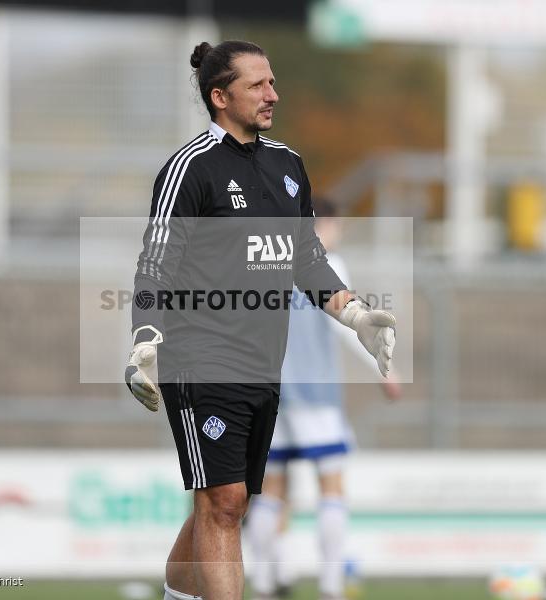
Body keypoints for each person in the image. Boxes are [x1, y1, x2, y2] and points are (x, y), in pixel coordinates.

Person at [124, 41, 397, 600]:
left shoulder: (288, 165)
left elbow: (307, 260)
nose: (273, 94)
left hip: (264, 365)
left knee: (229, 503)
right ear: (220, 97)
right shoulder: (189, 168)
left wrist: (355, 315)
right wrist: (146, 338)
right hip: (200, 359)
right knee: (223, 503)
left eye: (272, 82)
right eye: (257, 85)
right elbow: (155, 263)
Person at [246, 198, 401, 600]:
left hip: (270, 394)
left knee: (271, 490)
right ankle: (331, 585)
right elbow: (348, 326)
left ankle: (264, 583)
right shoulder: (327, 265)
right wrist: (384, 370)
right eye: (336, 226)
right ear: (324, 224)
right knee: (331, 485)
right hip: (315, 393)